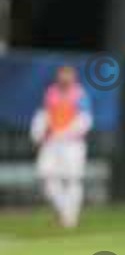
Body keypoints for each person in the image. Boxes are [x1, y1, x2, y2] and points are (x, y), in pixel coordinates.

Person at [30, 65, 92, 228]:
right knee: (46, 176)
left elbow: (84, 120)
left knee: (73, 179)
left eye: (68, 75)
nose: (64, 79)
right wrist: (38, 133)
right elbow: (45, 115)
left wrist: (65, 133)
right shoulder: (51, 92)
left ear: (73, 77)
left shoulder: (79, 94)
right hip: (52, 143)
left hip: (72, 144)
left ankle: (70, 217)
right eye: (62, 75)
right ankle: (65, 210)